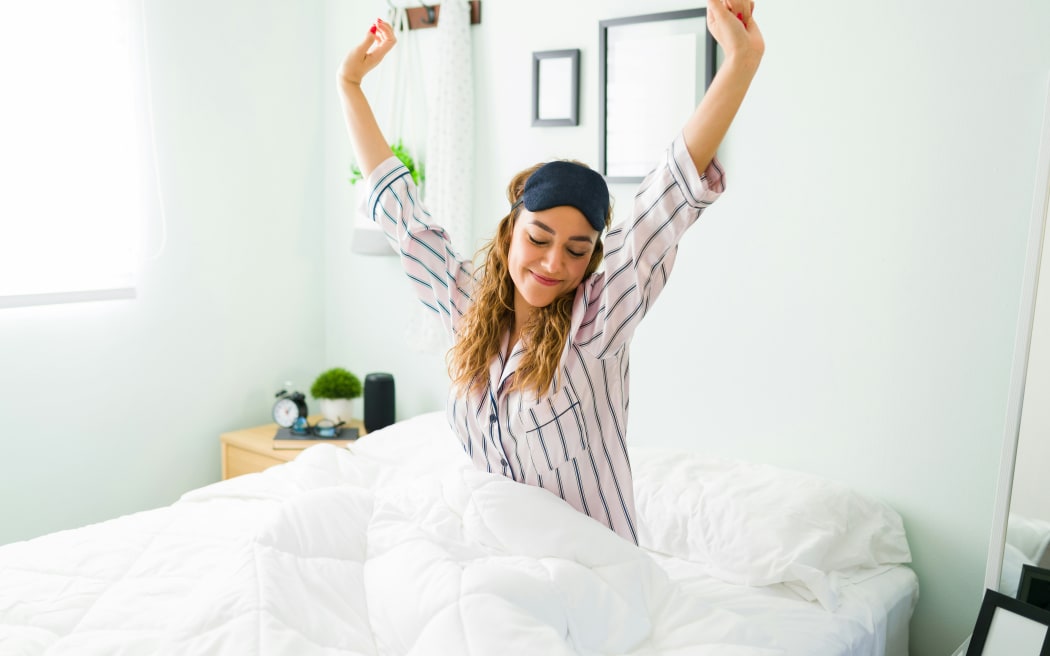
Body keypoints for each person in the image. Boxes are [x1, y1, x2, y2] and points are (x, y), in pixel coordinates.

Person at [339, 1, 763, 544]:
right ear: (510, 230)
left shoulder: (598, 325)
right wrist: (350, 84)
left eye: (577, 250)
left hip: (590, 571)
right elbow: (402, 215)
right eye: (538, 239)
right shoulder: (466, 304)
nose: (553, 264)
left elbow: (666, 197)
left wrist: (740, 61)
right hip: (493, 549)